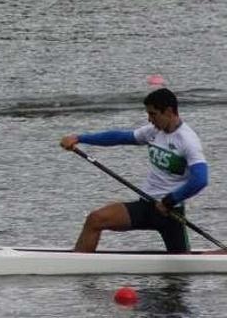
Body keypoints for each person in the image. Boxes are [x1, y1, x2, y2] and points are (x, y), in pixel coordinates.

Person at [60, 88, 207, 253]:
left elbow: (200, 179)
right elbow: (119, 137)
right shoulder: (153, 132)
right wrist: (80, 138)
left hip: (170, 212)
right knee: (95, 219)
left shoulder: (188, 140)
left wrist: (170, 201)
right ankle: (79, 265)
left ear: (169, 111)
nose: (149, 119)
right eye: (148, 114)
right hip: (145, 206)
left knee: (183, 266)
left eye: (153, 114)